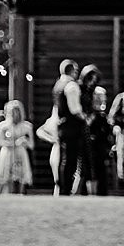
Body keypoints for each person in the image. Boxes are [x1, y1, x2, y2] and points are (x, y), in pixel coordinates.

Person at [47, 59, 87, 196]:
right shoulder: (71, 86)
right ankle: (66, 188)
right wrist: (85, 118)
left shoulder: (58, 85)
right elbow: (75, 109)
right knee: (70, 159)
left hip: (61, 125)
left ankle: (62, 186)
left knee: (64, 158)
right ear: (72, 71)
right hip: (72, 126)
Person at [78, 69, 112, 195]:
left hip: (99, 132)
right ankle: (84, 191)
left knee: (100, 164)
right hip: (87, 130)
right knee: (87, 164)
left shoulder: (98, 92)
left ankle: (101, 191)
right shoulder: (83, 92)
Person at [0, 99, 34, 193]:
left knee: (21, 177)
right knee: (5, 177)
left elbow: (31, 145)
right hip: (7, 152)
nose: (14, 115)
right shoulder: (3, 126)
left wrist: (24, 141)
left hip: (20, 153)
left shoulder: (27, 126)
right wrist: (8, 143)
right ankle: (4, 194)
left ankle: (20, 193)